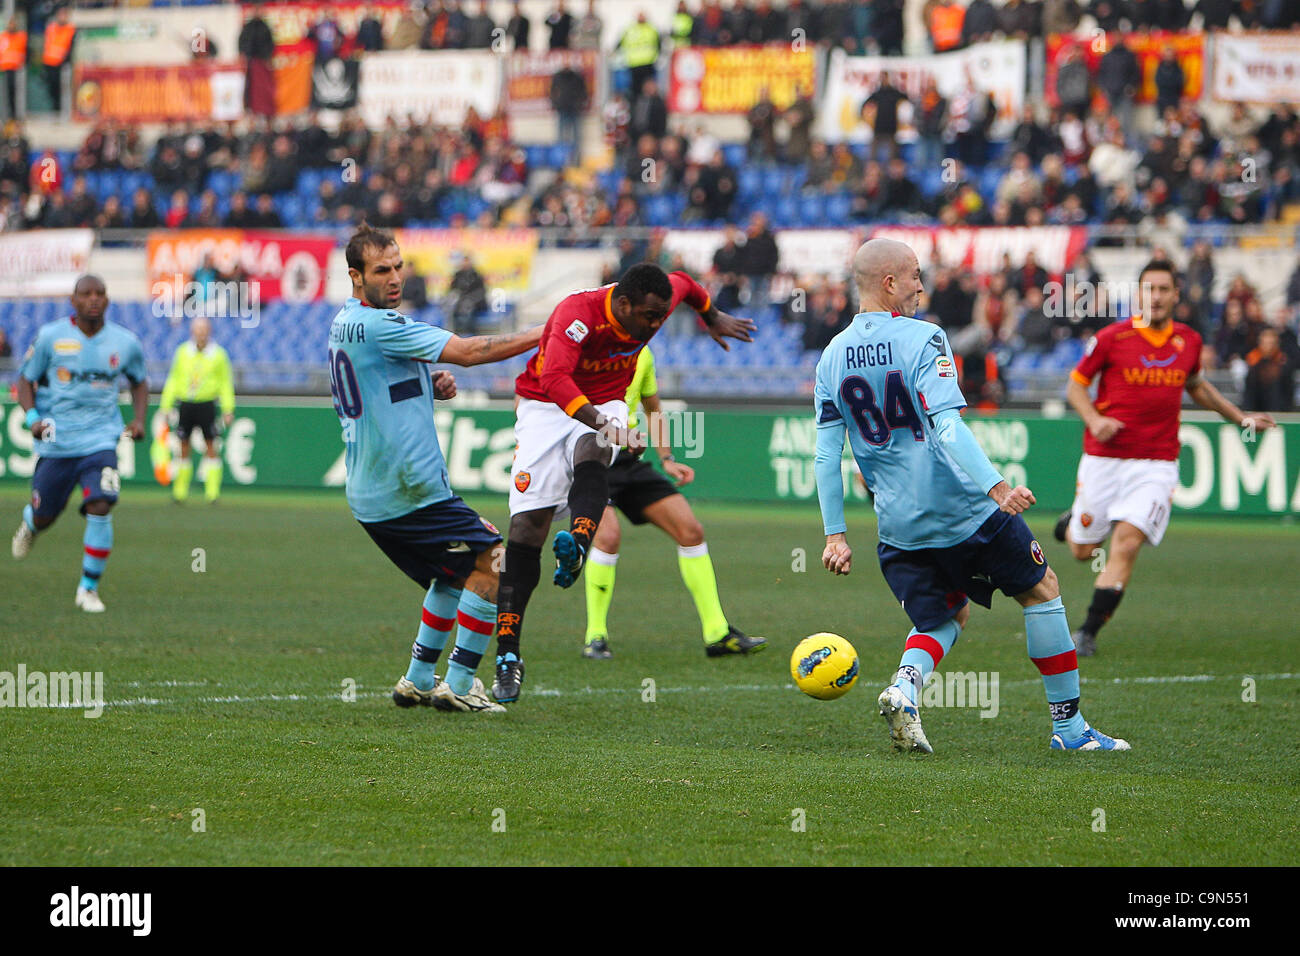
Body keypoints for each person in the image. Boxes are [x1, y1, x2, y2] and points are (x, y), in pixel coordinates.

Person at [814, 239, 1129, 754]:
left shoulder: (831, 355)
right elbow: (948, 427)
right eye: (915, 275)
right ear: (890, 283)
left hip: (898, 526)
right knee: (1042, 589)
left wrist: (835, 535)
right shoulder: (925, 338)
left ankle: (905, 688)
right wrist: (998, 488)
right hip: (964, 511)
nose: (922, 285)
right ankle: (1070, 731)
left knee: (943, 616)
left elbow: (827, 457)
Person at [492, 263, 755, 703]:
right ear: (624, 304)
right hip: (544, 404)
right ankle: (507, 655)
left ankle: (577, 544)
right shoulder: (576, 315)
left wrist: (710, 315)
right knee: (525, 532)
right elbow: (555, 378)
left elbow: (687, 284)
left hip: (607, 399)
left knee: (592, 450)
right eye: (649, 317)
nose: (655, 326)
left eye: (661, 316)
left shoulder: (656, 300)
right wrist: (606, 425)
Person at [331, 224, 543, 713]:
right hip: (406, 488)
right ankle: (462, 682)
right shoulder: (383, 325)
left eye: (399, 266)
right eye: (381, 270)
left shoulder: (346, 322)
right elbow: (470, 353)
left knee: (451, 573)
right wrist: (544, 332)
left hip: (373, 491)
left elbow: (378, 381)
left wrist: (429, 385)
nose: (395, 278)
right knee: (495, 560)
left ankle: (419, 678)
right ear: (355, 276)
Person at [1054, 260, 1278, 656]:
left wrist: (1240, 418)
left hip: (1156, 463)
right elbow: (1075, 386)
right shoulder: (1111, 338)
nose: (1156, 297)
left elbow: (1197, 387)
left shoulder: (1188, 342)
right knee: (1082, 551)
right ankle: (1074, 523)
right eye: (1149, 289)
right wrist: (1094, 417)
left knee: (1125, 544)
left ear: (1177, 295)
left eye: (1163, 290)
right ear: (1140, 294)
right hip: (1104, 459)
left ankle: (1087, 632)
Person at [581, 346, 764, 659]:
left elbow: (652, 408)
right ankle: (595, 636)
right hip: (588, 453)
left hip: (627, 457)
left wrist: (666, 458)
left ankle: (716, 633)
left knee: (690, 530)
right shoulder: (587, 343)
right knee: (608, 537)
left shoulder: (644, 353)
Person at [11, 275, 148, 614]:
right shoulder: (51, 337)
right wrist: (32, 421)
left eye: (100, 293)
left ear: (108, 299)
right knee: (46, 515)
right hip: (58, 441)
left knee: (101, 505)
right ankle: (32, 522)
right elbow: (25, 381)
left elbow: (140, 381)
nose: (93, 299)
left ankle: (88, 589)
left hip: (101, 439)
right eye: (86, 294)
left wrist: (139, 419)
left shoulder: (125, 342)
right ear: (72, 300)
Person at [159, 316, 236, 504]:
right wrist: (166, 405)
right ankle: (180, 492)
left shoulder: (218, 355)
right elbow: (174, 379)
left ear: (209, 331)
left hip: (207, 404)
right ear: (192, 331)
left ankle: (212, 493)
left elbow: (225, 383)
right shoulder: (183, 352)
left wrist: (228, 408)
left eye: (204, 329)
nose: (201, 333)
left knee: (211, 446)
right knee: (183, 447)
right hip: (186, 404)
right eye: (198, 329)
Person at [41, 6, 75, 113]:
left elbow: (71, 48)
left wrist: (66, 61)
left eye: (64, 15)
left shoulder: (70, 29)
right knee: (52, 90)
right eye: (60, 15)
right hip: (49, 63)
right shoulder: (51, 28)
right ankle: (55, 110)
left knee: (63, 90)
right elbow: (47, 45)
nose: (62, 17)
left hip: (62, 65)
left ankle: (62, 111)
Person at [0, 18, 26, 120]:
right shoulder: (3, 37)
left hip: (16, 70)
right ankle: (5, 115)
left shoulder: (21, 37)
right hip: (4, 70)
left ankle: (14, 115)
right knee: (5, 94)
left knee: (15, 94)